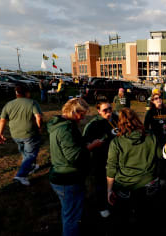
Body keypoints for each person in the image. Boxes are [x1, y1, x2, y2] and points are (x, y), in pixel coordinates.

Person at [47, 98, 102, 236]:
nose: (83, 118)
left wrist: (83, 142)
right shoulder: (66, 129)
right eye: (81, 114)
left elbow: (71, 146)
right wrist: (92, 146)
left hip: (62, 175)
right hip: (67, 179)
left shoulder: (62, 125)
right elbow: (75, 156)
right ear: (73, 111)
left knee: (69, 210)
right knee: (71, 217)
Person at [106, 108, 161, 234]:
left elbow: (111, 167)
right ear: (137, 119)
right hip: (148, 183)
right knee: (146, 216)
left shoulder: (116, 142)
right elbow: (160, 156)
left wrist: (109, 190)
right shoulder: (151, 137)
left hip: (125, 184)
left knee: (123, 218)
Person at [0, 85, 42, 186]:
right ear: (27, 93)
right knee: (30, 154)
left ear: (16, 93)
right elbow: (38, 117)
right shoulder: (32, 102)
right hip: (29, 133)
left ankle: (31, 166)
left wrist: (0, 134)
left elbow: (2, 120)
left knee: (24, 152)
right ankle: (21, 175)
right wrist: (40, 128)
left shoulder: (8, 104)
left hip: (15, 134)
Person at [82, 101, 118, 218]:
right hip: (101, 159)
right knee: (101, 184)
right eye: (105, 110)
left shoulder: (116, 118)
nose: (108, 112)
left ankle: (114, 200)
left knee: (116, 181)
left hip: (117, 158)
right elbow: (87, 144)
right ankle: (102, 206)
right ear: (98, 111)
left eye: (110, 109)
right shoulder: (93, 125)